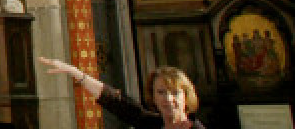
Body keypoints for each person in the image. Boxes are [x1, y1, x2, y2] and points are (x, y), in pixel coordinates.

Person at [38, 57, 205, 129]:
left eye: (175, 93)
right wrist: (76, 73)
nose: (168, 99)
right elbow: (115, 101)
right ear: (153, 97)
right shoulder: (151, 124)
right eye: (161, 92)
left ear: (186, 96)